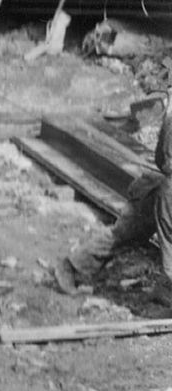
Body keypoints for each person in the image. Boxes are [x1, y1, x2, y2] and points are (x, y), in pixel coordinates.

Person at [61, 95, 171, 290]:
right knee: (127, 235)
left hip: (161, 189)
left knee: (126, 233)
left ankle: (73, 266)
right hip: (164, 193)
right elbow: (166, 161)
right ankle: (71, 267)